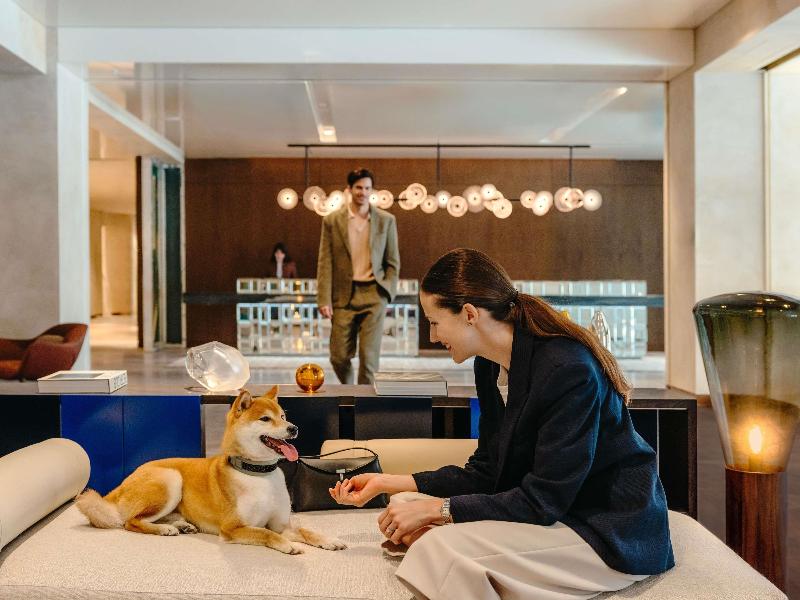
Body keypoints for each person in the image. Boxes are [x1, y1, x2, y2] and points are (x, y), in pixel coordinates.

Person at [329, 248, 674, 599]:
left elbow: (543, 501)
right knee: (404, 503)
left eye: (434, 322)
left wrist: (440, 510)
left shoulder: (567, 369)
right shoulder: (490, 364)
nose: (432, 336)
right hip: (553, 512)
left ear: (469, 314)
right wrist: (389, 482)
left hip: (602, 528)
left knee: (438, 547)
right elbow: (487, 471)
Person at [316, 168, 400, 384]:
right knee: (338, 356)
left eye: (367, 188)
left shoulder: (386, 220)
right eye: (359, 187)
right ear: (349, 189)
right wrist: (324, 298)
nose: (363, 192)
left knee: (369, 359)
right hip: (344, 296)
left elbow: (393, 261)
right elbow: (325, 261)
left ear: (372, 190)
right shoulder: (332, 221)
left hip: (374, 294)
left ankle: (362, 401)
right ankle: (349, 391)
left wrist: (387, 292)